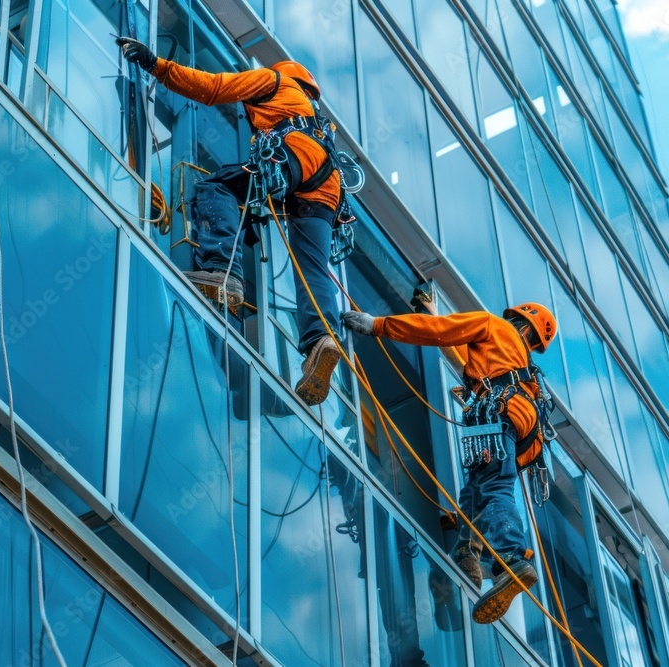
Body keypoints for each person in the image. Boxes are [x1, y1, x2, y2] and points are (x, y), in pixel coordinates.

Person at [117, 36, 344, 406]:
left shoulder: (272, 82)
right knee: (313, 268)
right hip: (326, 188)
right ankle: (321, 341)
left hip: (297, 157)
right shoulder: (318, 117)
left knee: (215, 188)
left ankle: (224, 270)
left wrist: (156, 65)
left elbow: (214, 88)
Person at [342, 303, 558, 624]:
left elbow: (441, 331)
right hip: (517, 420)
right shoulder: (520, 362)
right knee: (476, 492)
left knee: (493, 487)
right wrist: (430, 310)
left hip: (498, 410)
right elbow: (463, 354)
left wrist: (378, 325)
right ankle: (466, 559)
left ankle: (511, 559)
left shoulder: (491, 325)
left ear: (518, 320)